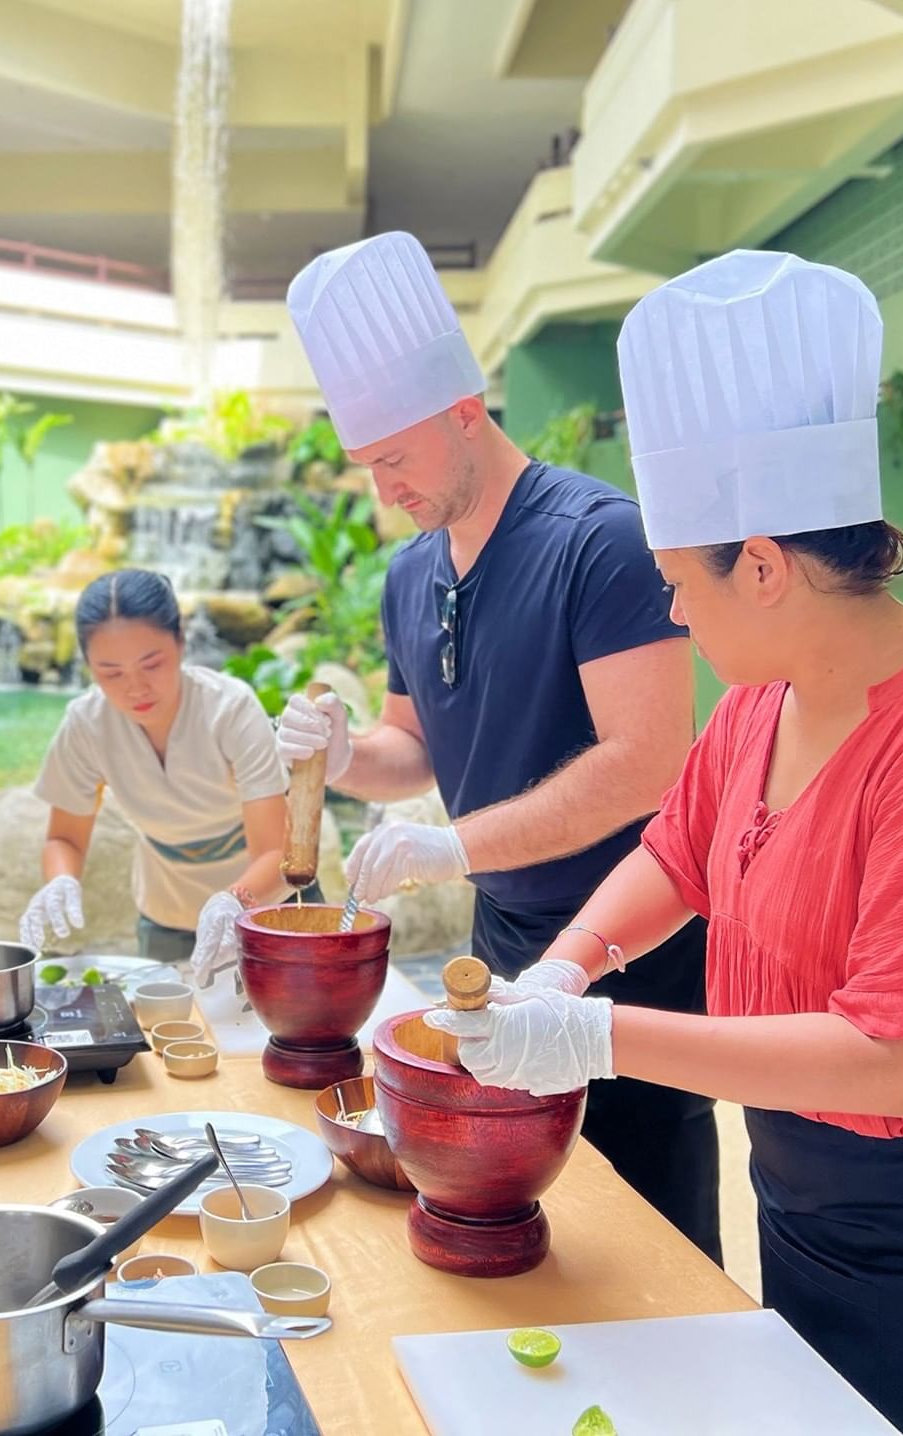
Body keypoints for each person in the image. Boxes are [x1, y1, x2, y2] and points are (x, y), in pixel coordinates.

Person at [427, 251, 903, 1436]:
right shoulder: (757, 705)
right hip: (809, 1206)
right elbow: (672, 858)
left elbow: (899, 1059)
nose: (672, 611)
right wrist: (566, 965)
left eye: (682, 584)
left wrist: (597, 1036)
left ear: (762, 567)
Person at [204, 229, 721, 1262]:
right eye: (368, 466)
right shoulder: (411, 576)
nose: (383, 487)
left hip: (633, 951)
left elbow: (646, 762)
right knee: (524, 1221)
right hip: (502, 942)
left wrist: (452, 847)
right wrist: (345, 755)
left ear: (463, 413)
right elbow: (412, 749)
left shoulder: (596, 540)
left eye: (394, 458)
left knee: (647, 1244)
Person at [20, 570, 307, 963]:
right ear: (88, 666)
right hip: (165, 916)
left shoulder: (230, 709)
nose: (135, 687)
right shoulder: (87, 724)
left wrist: (232, 903)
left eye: (152, 664)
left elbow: (274, 851)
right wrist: (60, 882)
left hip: (267, 910)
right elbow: (64, 840)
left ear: (181, 642)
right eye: (111, 673)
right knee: (161, 1022)